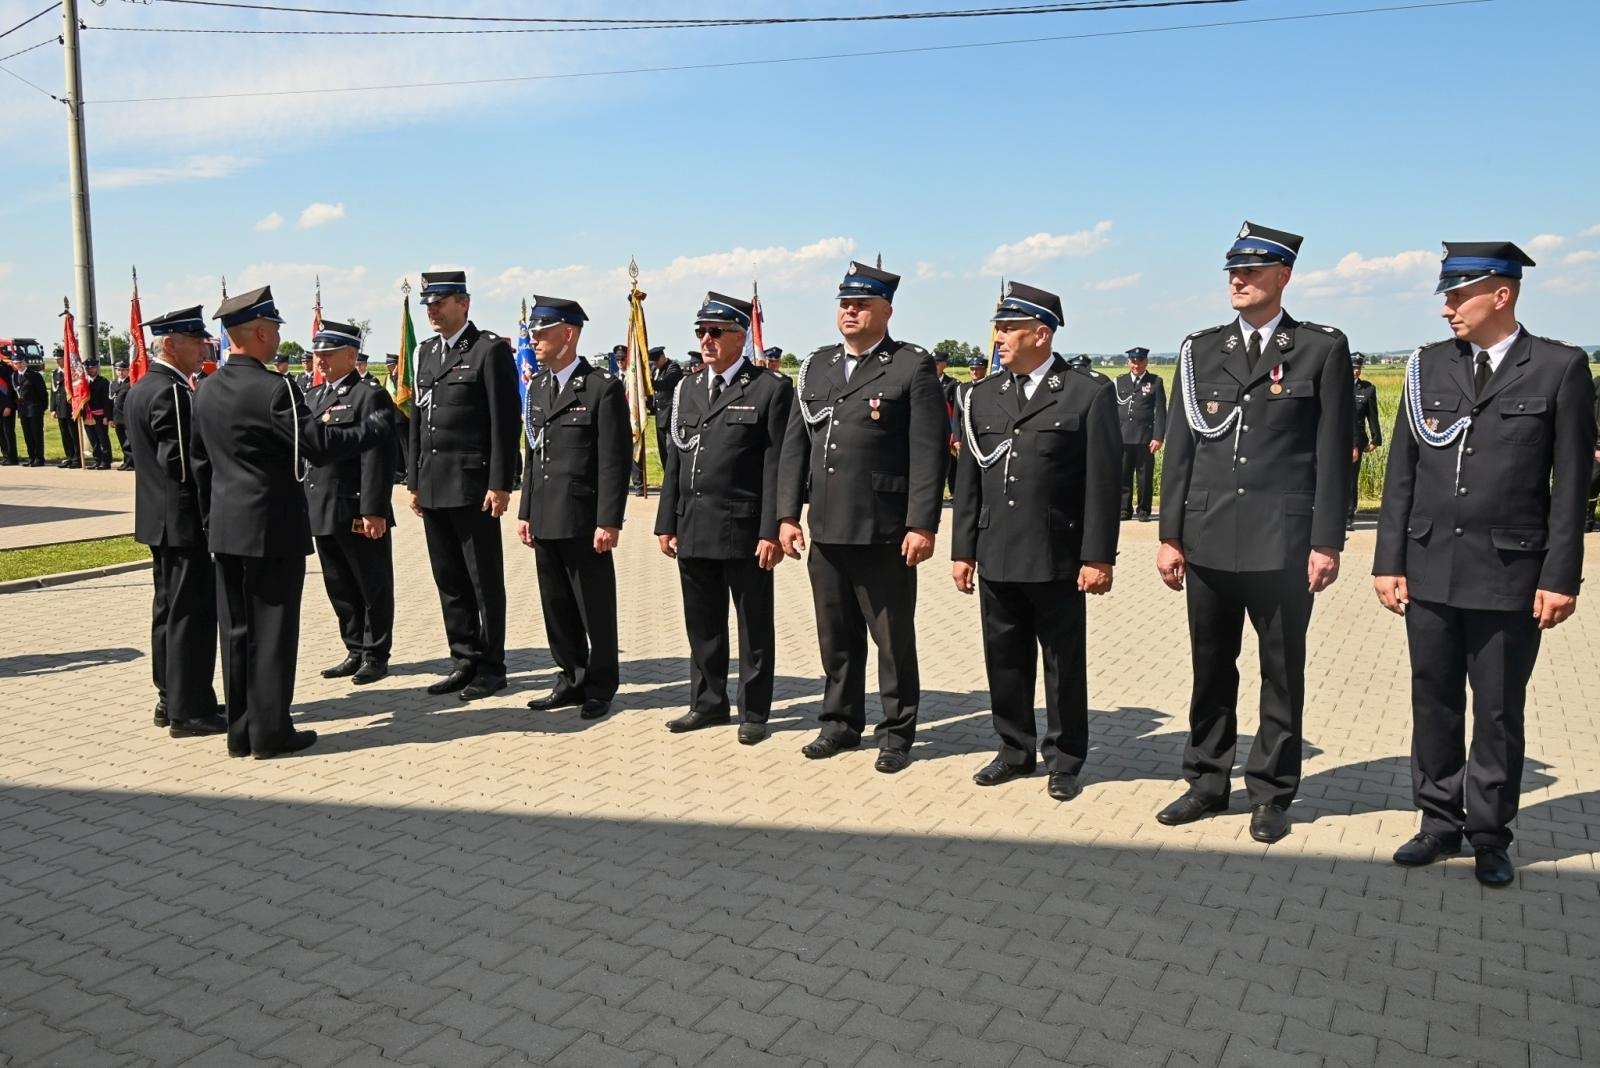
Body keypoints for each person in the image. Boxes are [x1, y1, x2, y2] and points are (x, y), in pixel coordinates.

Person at [1374, 242, 1596, 888]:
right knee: (1434, 700)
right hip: (1430, 566)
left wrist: (1560, 576)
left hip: (1509, 574)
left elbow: (1571, 485)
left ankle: (1490, 833)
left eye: (1457, 294)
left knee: (1498, 710)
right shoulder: (1426, 368)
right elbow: (1401, 478)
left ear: (1501, 295)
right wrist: (1388, 561)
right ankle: (1438, 822)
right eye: (1445, 294)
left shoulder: (1557, 367)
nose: (1446, 307)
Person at [1154, 221, 1353, 844]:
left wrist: (1327, 542)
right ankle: (1207, 780)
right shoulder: (1199, 351)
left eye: (1253, 270)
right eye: (1233, 271)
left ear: (1283, 276)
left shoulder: (1319, 348)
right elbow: (1180, 452)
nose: (1238, 280)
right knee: (1210, 667)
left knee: (1280, 670)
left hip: (1283, 543)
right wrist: (1169, 534)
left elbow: (1332, 453)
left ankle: (1271, 792)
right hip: (1208, 536)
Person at [193, 285, 390, 759]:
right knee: (273, 634)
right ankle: (271, 733)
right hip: (271, 528)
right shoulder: (273, 387)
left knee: (236, 633)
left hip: (225, 529)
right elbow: (317, 444)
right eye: (277, 329)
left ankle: (241, 733)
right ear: (259, 332)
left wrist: (210, 520)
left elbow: (201, 465)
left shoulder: (208, 387)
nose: (280, 337)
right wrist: (375, 427)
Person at [952, 283, 1121, 802]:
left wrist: (1097, 556)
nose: (997, 338)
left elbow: (1103, 483)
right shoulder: (982, 394)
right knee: (1003, 655)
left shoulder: (1086, 392)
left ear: (1040, 334)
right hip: (996, 547)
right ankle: (1013, 750)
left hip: (1056, 554)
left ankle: (1065, 759)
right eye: (998, 328)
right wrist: (963, 550)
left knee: (1061, 661)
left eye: (1007, 329)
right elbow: (968, 481)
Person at [776, 261, 947, 773]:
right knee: (836, 633)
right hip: (827, 527)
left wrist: (923, 523)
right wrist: (787, 514)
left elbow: (928, 452)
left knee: (891, 638)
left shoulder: (910, 366)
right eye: (844, 304)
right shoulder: (817, 366)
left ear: (886, 311)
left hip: (883, 529)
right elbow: (794, 448)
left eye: (862, 304)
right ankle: (839, 723)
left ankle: (896, 732)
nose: (850, 311)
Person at [656, 293, 793, 743]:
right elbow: (675, 460)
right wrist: (666, 522)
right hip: (693, 522)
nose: (706, 341)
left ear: (740, 335)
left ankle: (754, 712)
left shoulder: (769, 389)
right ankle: (708, 703)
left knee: (753, 624)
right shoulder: (688, 388)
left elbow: (777, 464)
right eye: (700, 332)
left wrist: (771, 529)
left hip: (743, 527)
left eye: (715, 332)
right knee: (703, 624)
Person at [407, 270, 521, 701]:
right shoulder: (425, 353)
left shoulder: (488, 351)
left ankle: (492, 667)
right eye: (429, 304)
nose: (433, 311)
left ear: (464, 304)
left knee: (482, 580)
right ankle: (463, 659)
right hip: (433, 485)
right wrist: (414, 479)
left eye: (440, 302)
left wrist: (501, 483)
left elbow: (505, 423)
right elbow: (419, 418)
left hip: (474, 486)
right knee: (449, 579)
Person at [516, 295, 630, 720]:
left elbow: (614, 461)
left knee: (594, 607)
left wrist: (608, 521)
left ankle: (600, 686)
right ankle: (570, 677)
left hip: (584, 519)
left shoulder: (601, 387)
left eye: (542, 333)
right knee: (556, 605)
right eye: (533, 333)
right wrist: (526, 510)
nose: (536, 341)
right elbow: (534, 454)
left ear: (568, 334)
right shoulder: (539, 386)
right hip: (545, 513)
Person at [125, 306, 225, 738]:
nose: (204, 346)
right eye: (194, 340)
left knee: (168, 612)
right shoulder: (171, 392)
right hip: (183, 522)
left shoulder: (143, 388)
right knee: (191, 615)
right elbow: (185, 467)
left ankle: (170, 697)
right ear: (170, 344)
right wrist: (212, 516)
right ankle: (190, 709)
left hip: (159, 520)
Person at [304, 319, 398, 687]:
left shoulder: (369, 395)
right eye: (317, 354)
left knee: (371, 582)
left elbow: (378, 455)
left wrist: (373, 508)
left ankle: (376, 654)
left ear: (350, 354)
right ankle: (354, 647)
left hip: (356, 507)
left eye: (327, 354)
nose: (320, 360)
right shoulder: (313, 397)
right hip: (321, 506)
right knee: (339, 584)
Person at [1114, 347, 1166, 521]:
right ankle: (1124, 509)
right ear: (1128, 362)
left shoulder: (1155, 382)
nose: (1136, 365)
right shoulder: (1119, 382)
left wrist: (1158, 437)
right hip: (1123, 436)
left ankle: (1144, 509)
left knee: (1144, 477)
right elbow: (1113, 409)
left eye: (1140, 361)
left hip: (1145, 437)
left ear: (1146, 362)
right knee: (1123, 474)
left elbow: (1160, 412)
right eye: (1133, 361)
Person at [1347, 352, 1383, 530]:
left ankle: (1348, 516)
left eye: (1358, 368)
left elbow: (1372, 416)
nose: (1355, 371)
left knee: (1352, 479)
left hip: (1358, 440)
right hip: (1337, 441)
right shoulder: (1338, 386)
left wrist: (1376, 439)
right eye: (1353, 368)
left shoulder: (1367, 389)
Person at [649, 344, 683, 472]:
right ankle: (667, 478)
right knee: (663, 451)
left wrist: (649, 383)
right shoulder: (655, 370)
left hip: (670, 417)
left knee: (670, 450)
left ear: (663, 357)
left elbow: (667, 384)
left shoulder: (673, 368)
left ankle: (674, 477)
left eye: (656, 361)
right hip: (659, 418)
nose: (655, 364)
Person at [12, 351, 46, 466]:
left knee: (36, 434)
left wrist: (41, 408)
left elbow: (43, 393)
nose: (19, 365)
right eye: (16, 363)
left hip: (34, 409)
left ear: (26, 362)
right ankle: (31, 457)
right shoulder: (15, 375)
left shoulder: (35, 375)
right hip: (23, 410)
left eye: (21, 362)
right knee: (27, 435)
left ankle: (39, 458)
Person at [934, 352, 960, 497]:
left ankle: (954, 493)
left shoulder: (952, 384)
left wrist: (955, 433)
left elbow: (956, 411)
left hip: (947, 432)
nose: (935, 365)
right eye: (934, 362)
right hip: (929, 432)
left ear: (945, 364)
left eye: (938, 362)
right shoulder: (924, 381)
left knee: (951, 465)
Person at [51, 347, 80, 468]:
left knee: (73, 433)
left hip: (70, 408)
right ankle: (69, 456)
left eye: (60, 358)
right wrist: (52, 408)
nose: (58, 361)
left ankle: (77, 458)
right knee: (64, 434)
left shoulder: (71, 372)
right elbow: (53, 392)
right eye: (56, 359)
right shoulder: (56, 373)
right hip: (59, 408)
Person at [82, 358, 114, 470]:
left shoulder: (103, 382)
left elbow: (107, 401)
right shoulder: (83, 383)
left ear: (97, 368)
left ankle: (106, 461)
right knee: (93, 439)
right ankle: (97, 459)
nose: (90, 370)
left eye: (93, 367)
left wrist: (107, 416)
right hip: (87, 415)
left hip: (100, 415)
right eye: (88, 368)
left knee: (103, 439)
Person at [385, 352, 410, 485]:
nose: (390, 368)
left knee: (406, 447)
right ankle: (399, 473)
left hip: (402, 417)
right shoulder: (387, 378)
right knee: (397, 447)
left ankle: (409, 473)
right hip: (392, 418)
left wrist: (395, 375)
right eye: (388, 366)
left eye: (392, 366)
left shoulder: (401, 379)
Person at [110, 358, 134, 470]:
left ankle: (131, 463)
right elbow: (110, 401)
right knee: (122, 440)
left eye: (123, 370)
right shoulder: (113, 383)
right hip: (117, 417)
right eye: (118, 370)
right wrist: (110, 418)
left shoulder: (131, 383)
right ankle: (126, 461)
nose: (121, 372)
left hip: (127, 417)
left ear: (128, 370)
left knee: (129, 442)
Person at [0, 355, 16, 465]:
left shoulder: (6, 368)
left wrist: (9, 406)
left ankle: (12, 457)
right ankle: (5, 455)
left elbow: (10, 389)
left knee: (8, 432)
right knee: (1, 433)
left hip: (6, 406)